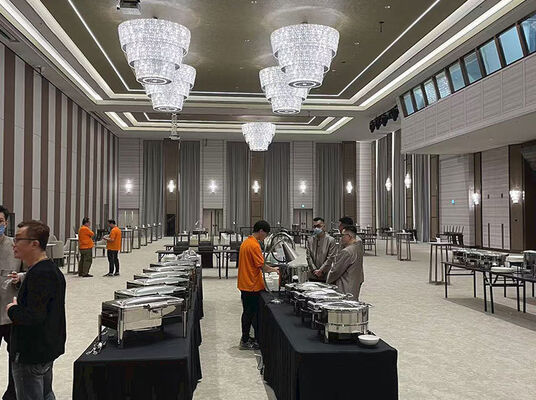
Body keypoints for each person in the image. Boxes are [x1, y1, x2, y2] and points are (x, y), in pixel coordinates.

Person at [6, 220, 66, 400]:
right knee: (46, 393)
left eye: (18, 239)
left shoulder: (40, 274)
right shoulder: (48, 270)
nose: (14, 244)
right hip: (45, 350)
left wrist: (12, 310)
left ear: (34, 244)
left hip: (31, 353)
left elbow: (33, 317)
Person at [237, 220, 278, 350]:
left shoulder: (246, 242)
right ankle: (245, 340)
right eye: (265, 234)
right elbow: (262, 266)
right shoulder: (254, 245)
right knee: (249, 313)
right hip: (251, 285)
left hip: (245, 283)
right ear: (261, 231)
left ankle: (246, 337)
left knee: (247, 312)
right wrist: (274, 270)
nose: (265, 237)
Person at [0, 206, 22, 400]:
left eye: (0, 221)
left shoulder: (15, 246)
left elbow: (30, 271)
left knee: (14, 358)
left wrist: (20, 277)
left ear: (6, 223)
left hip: (10, 314)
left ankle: (12, 395)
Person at [326, 225, 364, 300]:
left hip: (345, 287)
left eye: (342, 235)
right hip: (354, 284)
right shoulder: (358, 247)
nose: (341, 238)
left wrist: (327, 282)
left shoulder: (347, 252)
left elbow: (336, 271)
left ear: (349, 236)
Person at [306, 217, 337, 282]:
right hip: (312, 274)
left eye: (318, 226)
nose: (316, 228)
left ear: (324, 227)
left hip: (325, 275)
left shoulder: (331, 240)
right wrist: (314, 270)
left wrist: (321, 270)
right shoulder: (310, 240)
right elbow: (309, 257)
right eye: (314, 226)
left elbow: (330, 258)